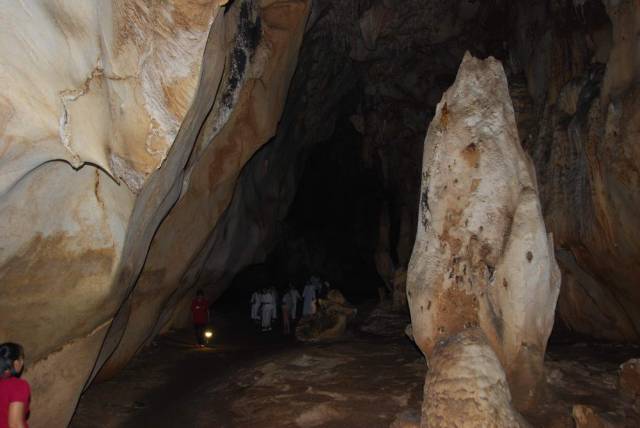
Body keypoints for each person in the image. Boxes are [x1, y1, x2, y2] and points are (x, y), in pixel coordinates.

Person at [0, 342, 30, 428]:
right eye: (21, 359)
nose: (22, 363)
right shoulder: (17, 385)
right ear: (16, 363)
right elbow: (15, 425)